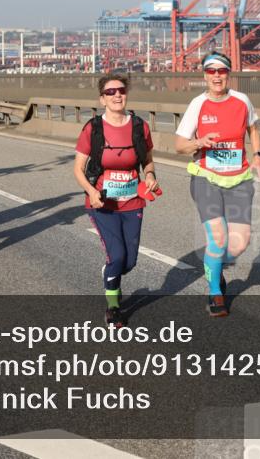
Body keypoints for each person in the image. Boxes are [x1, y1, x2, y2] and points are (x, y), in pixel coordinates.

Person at [174, 52, 260, 317]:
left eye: (222, 71)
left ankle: (213, 263)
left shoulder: (242, 101)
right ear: (204, 75)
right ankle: (215, 291)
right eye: (211, 71)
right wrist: (199, 143)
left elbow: (253, 128)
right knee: (217, 238)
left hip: (238, 178)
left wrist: (257, 155)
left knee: (238, 245)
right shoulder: (198, 104)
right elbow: (179, 145)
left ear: (229, 74)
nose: (217, 76)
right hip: (206, 177)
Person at [73, 74, 157, 328]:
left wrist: (151, 175)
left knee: (129, 261)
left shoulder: (139, 127)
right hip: (103, 204)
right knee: (117, 255)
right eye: (110, 92)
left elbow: (148, 160)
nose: (117, 95)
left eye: (120, 91)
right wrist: (91, 191)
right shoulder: (93, 128)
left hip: (132, 202)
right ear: (102, 99)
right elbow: (78, 168)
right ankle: (113, 308)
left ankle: (111, 272)